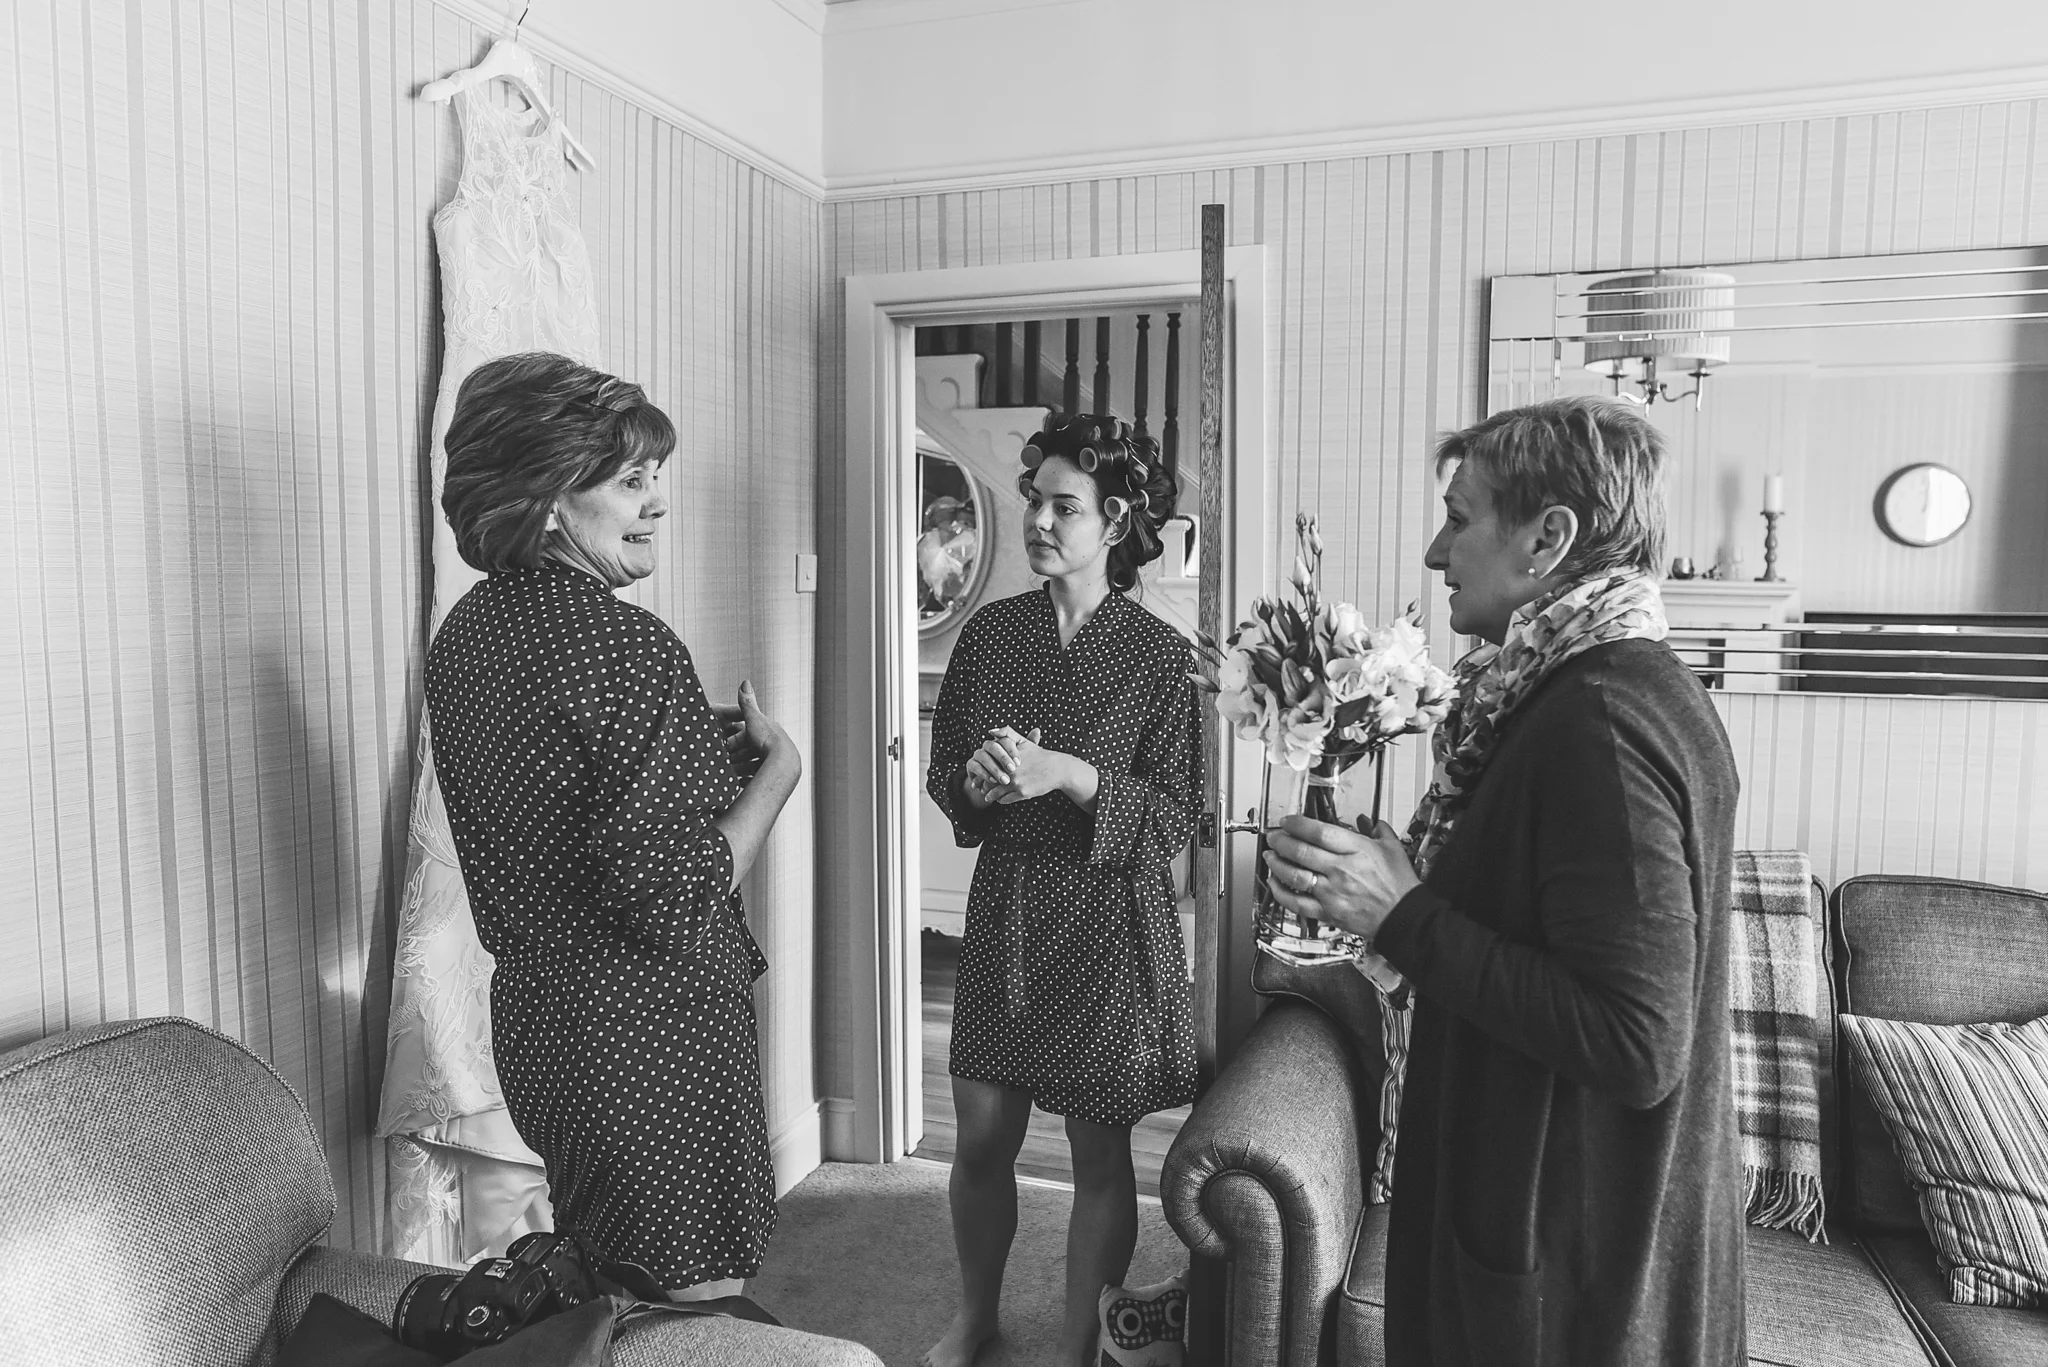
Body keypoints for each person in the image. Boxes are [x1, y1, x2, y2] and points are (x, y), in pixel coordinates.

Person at [1264, 396, 1745, 1366]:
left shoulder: (1599, 721)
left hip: (1564, 1280)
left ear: (1547, 536)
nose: (1437, 554)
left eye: (1458, 515)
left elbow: (1632, 1038)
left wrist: (1398, 912)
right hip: (1553, 1242)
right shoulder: (1578, 695)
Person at [425, 351, 803, 1299]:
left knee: (607, 1295)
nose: (657, 503)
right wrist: (778, 774)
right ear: (553, 498)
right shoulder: (627, 645)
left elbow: (556, 798)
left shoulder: (466, 633)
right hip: (652, 1034)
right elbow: (672, 900)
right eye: (633, 481)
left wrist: (684, 746)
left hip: (546, 1028)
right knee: (693, 1314)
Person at [921, 414, 1200, 1367]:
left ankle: (1078, 1344)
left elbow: (1177, 819)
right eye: (1034, 499)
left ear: (1115, 519)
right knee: (979, 1138)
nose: (1038, 519)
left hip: (1109, 918)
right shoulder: (992, 636)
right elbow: (943, 773)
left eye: (1062, 505)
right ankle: (977, 1316)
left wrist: (1067, 774)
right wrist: (978, 783)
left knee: (1096, 1153)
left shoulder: (1163, 658)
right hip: (1007, 907)